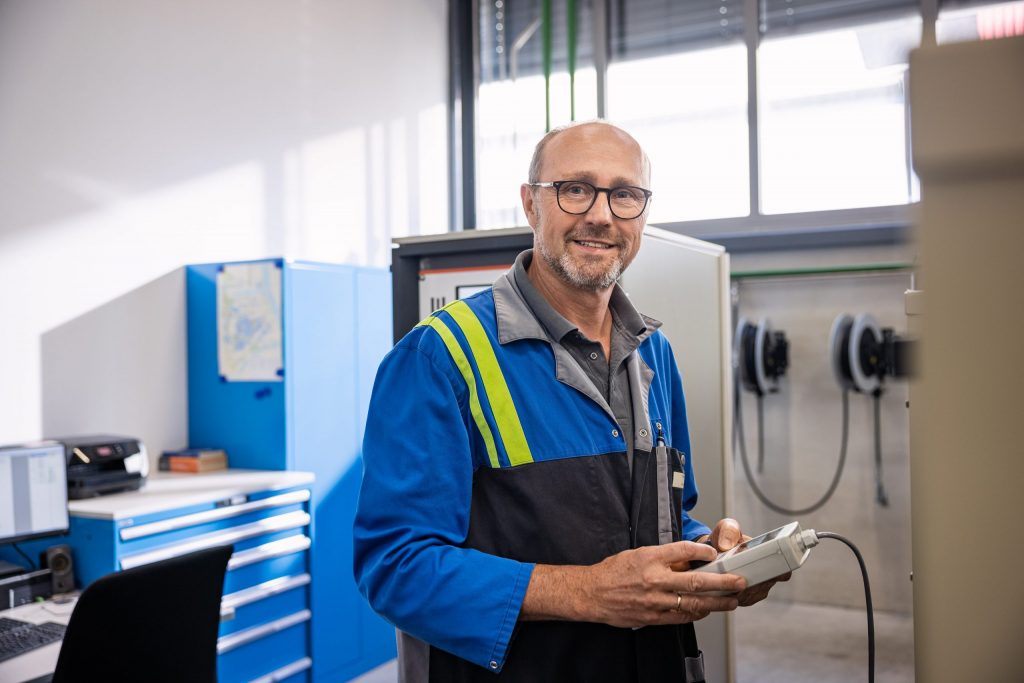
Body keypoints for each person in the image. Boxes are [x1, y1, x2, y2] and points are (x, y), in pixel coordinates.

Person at [353, 120, 784, 682]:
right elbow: (394, 566)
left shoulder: (657, 356)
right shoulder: (439, 358)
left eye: (625, 194)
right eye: (576, 189)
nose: (602, 215)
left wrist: (710, 552)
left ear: (642, 214)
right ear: (532, 205)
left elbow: (667, 519)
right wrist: (587, 592)